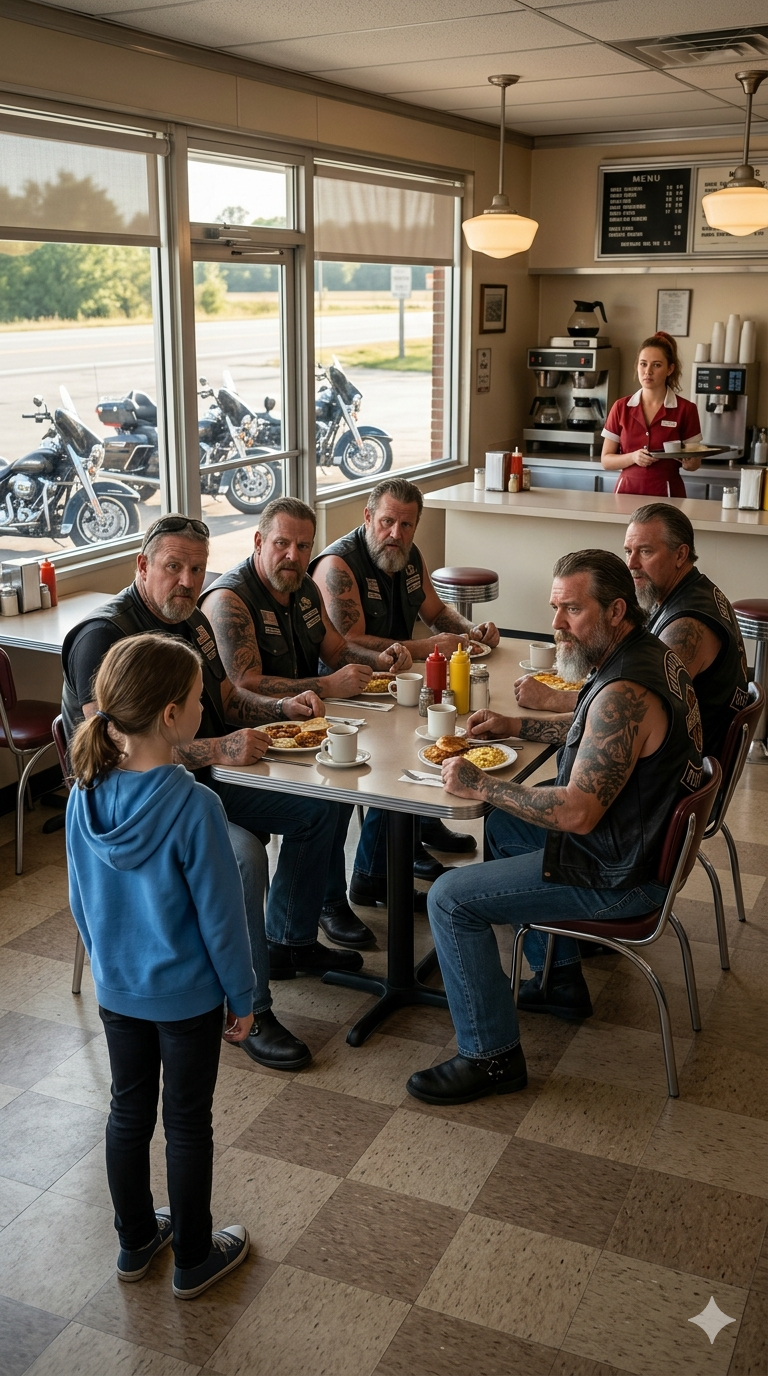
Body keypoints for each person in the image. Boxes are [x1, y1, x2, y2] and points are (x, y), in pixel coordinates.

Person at [61, 514, 363, 1074]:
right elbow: (109, 753)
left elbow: (225, 697)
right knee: (243, 855)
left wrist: (280, 708)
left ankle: (289, 939)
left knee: (322, 802)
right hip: (141, 804)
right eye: (172, 567)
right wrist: (218, 751)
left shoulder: (194, 621)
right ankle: (253, 1010)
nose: (186, 580)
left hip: (200, 784)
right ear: (141, 566)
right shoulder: (102, 637)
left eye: (196, 569)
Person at [406, 551, 703, 1107]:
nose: (558, 623)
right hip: (639, 843)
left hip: (621, 874)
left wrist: (480, 783)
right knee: (504, 827)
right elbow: (594, 726)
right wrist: (519, 725)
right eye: (555, 607)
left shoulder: (625, 692)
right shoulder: (646, 655)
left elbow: (575, 813)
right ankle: (557, 980)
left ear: (616, 610)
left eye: (572, 609)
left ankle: (490, 1056)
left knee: (449, 897)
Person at [66, 634, 252, 1299]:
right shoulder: (195, 807)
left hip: (118, 991)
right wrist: (242, 995)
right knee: (185, 1123)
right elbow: (222, 921)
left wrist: (112, 968)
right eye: (201, 698)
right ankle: (196, 1256)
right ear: (172, 714)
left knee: (126, 1112)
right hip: (186, 999)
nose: (207, 706)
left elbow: (79, 902)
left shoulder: (82, 793)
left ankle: (136, 1239)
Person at [201, 496, 412, 947]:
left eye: (302, 546)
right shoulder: (229, 600)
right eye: (282, 544)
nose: (293, 556)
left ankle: (336, 897)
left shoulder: (302, 586)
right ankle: (320, 910)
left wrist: (381, 658)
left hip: (302, 729)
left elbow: (335, 649)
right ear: (259, 541)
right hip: (244, 746)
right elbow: (243, 687)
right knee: (330, 795)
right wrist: (325, 688)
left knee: (373, 761)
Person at [311, 476, 499, 902]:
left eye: (406, 525)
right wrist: (425, 648)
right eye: (387, 522)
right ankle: (373, 877)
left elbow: (436, 613)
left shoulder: (409, 557)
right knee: (396, 761)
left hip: (398, 687)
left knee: (437, 738)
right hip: (349, 693)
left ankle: (416, 834)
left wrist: (474, 633)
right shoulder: (338, 566)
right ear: (367, 517)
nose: (395, 534)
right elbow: (348, 643)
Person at [516, 504, 749, 761]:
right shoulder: (693, 591)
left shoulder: (685, 626)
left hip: (683, 765)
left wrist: (549, 699)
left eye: (645, 551)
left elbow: (625, 708)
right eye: (628, 551)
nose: (631, 564)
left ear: (680, 555)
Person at [601, 332, 702, 497]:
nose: (648, 371)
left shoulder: (686, 409)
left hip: (668, 493)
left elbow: (695, 463)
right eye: (643, 364)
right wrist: (633, 457)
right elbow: (606, 460)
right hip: (626, 493)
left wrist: (689, 463)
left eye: (656, 365)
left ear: (670, 369)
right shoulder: (621, 407)